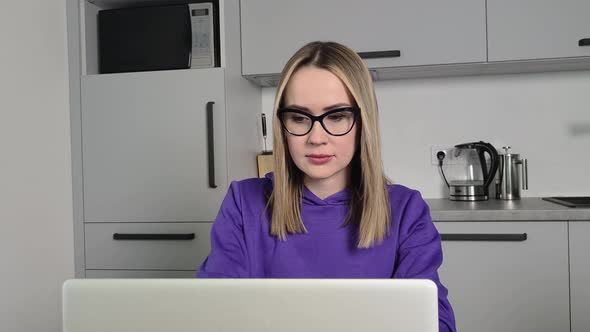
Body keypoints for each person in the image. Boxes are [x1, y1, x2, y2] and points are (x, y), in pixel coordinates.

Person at [198, 41, 456, 332]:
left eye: (336, 116)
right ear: (281, 125)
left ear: (362, 122)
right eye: (298, 117)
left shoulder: (406, 210)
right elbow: (215, 313)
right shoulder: (243, 203)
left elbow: (434, 321)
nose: (316, 137)